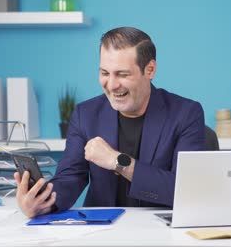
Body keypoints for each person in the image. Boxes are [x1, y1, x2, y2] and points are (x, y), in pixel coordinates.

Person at [14, 27, 205, 218]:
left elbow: (185, 190)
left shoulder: (186, 113)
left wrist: (118, 162)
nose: (112, 85)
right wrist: (42, 202)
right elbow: (69, 178)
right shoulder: (86, 114)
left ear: (150, 70)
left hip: (161, 230)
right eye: (105, 73)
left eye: (122, 74)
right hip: (102, 231)